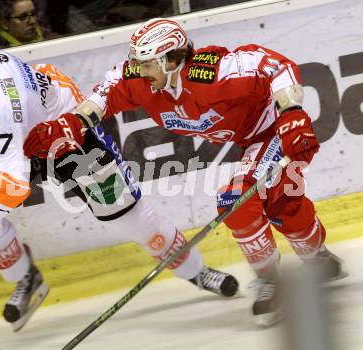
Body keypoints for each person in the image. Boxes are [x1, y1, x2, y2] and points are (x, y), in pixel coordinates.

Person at [24, 18, 346, 326]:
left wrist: (291, 112)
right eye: (138, 62)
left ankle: (292, 270)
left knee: (242, 201)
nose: (140, 70)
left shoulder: (212, 73)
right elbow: (106, 93)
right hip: (248, 142)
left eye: (148, 63)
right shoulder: (141, 81)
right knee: (279, 205)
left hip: (273, 131)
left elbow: (275, 66)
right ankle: (310, 261)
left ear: (173, 60)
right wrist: (74, 122)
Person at [0, 19, 239, 331]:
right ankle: (26, 277)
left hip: (70, 139)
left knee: (129, 215)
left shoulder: (4, 98)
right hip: (23, 137)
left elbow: (15, 179)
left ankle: (195, 270)